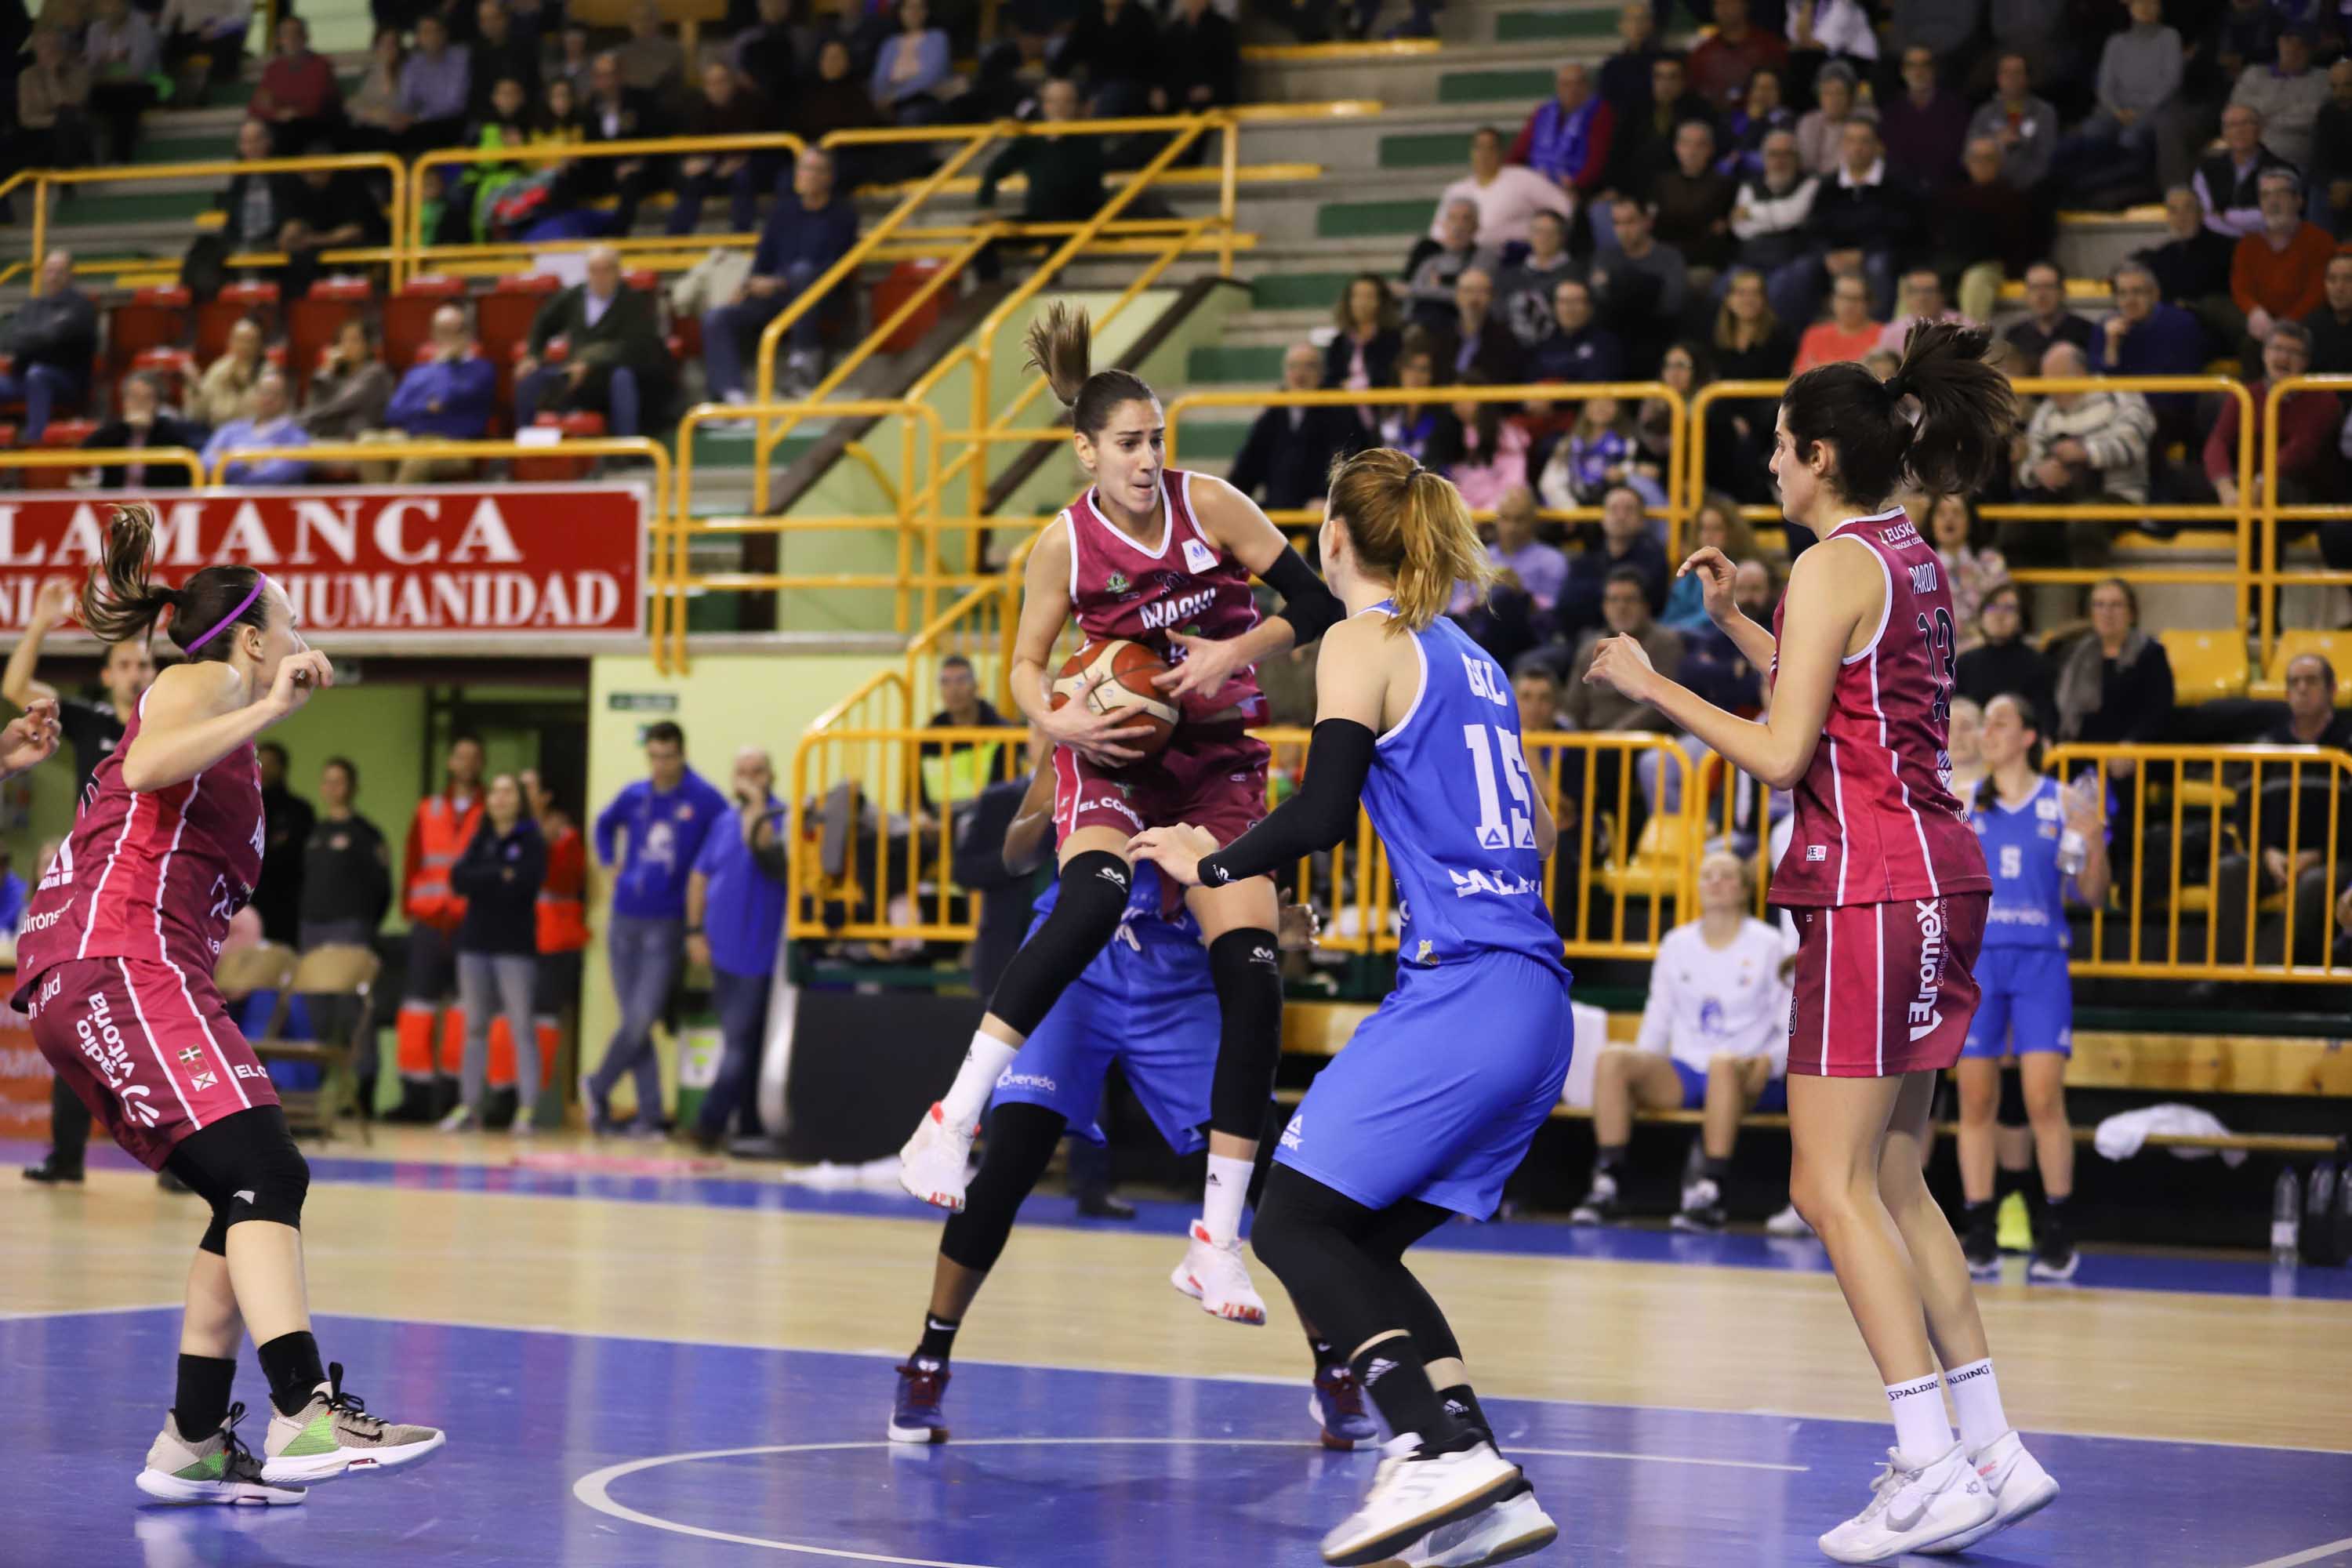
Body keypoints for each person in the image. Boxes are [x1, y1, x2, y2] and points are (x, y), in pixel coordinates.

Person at [1582, 324, 2058, 1559]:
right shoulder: (1902, 556)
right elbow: (1837, 688)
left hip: (1870, 885)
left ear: (1821, 457)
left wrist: (1657, 686)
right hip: (1938, 876)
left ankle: (1926, 1457)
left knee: (1823, 1185)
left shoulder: (1832, 565)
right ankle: (1994, 1447)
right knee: (1897, 1180)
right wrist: (1739, 621)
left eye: (1782, 452)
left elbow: (1786, 750)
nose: (1772, 472)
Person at [1128, 448, 1570, 1568]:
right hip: (1532, 998)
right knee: (1361, 1241)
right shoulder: (1472, 658)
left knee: (1289, 1221)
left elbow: (1324, 809)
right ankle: (1482, 1472)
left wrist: (1212, 860)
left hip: (1467, 989)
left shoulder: (1359, 642)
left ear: (1333, 540)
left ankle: (1428, 1448)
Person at [896, 303, 1349, 1330]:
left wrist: (1233, 656)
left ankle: (1217, 1244)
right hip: (1117, 761)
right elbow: (1023, 663)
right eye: (1130, 444)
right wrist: (1053, 715)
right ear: (1086, 451)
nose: (1149, 460)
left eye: (1157, 441)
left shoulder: (1214, 506)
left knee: (1253, 968)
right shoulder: (1060, 546)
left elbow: (1314, 608)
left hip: (1220, 768)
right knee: (1092, 895)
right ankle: (950, 1118)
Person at [13, 502, 445, 1503]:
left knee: (246, 1182)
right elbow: (153, 762)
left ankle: (194, 1438)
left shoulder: (222, 725)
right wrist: (273, 706)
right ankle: (301, 1411)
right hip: (118, 958)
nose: (299, 643)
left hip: (126, 966)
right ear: (252, 639)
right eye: (287, 627)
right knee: (264, 1163)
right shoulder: (202, 680)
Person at [888, 777, 1370, 1454]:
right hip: (1082, 968)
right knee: (1010, 1165)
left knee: (1265, 1174)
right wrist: (1045, 804)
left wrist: (1271, 924)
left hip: (1178, 979)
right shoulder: (1097, 726)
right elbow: (1016, 855)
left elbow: (1236, 897)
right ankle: (928, 1359)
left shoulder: (1231, 764)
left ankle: (1336, 1368)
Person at [7, 581, 158, 1187]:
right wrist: (41, 624)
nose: (135, 672)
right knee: (73, 1023)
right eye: (124, 664)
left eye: (145, 663)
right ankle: (66, 1157)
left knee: (147, 1022)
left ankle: (174, 1161)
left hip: (147, 890)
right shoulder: (94, 720)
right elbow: (15, 691)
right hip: (87, 891)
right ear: (106, 674)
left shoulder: (167, 726)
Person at [1957, 693, 2107, 1283]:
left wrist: (2093, 839)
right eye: (1985, 723)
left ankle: (2057, 1229)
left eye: (2000, 722)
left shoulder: (2065, 801)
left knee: (2044, 1099)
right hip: (1979, 962)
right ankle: (1980, 1229)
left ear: (2028, 736)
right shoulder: (1963, 802)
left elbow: (2092, 894)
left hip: (2042, 959)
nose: (1987, 732)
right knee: (1975, 1102)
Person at [1571, 850, 1791, 1229]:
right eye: (1708, 876)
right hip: (1688, 1069)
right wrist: (1640, 1067)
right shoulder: (1677, 943)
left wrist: (1771, 1061)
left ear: (1744, 888)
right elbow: (1658, 1019)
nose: (1716, 883)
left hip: (1749, 1072)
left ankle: (1711, 1190)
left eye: (1726, 875)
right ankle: (1609, 1183)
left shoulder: (1770, 944)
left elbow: (1790, 1022)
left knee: (1723, 1064)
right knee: (1614, 1059)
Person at [584, 720, 731, 1136]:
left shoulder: (703, 799)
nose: (660, 765)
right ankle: (649, 1116)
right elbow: (603, 824)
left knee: (643, 1015)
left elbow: (726, 839)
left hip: (667, 922)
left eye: (668, 757)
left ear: (681, 754)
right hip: (625, 917)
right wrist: (608, 860)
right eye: (653, 756)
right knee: (637, 1020)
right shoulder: (635, 795)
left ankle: (596, 1086)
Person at [685, 748, 786, 1152]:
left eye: (757, 771)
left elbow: (763, 849)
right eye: (741, 772)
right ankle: (746, 1125)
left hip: (760, 953)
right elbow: (698, 876)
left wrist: (758, 805)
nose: (748, 779)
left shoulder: (780, 819)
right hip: (722, 951)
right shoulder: (723, 822)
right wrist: (694, 931)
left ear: (771, 775)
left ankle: (709, 1123)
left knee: (741, 1043)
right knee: (741, 1040)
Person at [702, 147, 859, 405]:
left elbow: (833, 269)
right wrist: (749, 284)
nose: (805, 175)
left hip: (822, 298)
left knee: (803, 273)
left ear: (828, 177)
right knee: (717, 317)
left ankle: (803, 365)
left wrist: (778, 281)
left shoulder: (843, 215)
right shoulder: (783, 212)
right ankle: (731, 397)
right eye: (802, 168)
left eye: (813, 169)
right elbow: (763, 260)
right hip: (777, 298)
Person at [441, 772, 546, 1134]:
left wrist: (487, 879)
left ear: (520, 800)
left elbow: (524, 884)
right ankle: (469, 1106)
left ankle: (527, 1108)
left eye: (508, 791)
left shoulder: (531, 839)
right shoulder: (481, 837)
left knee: (521, 1026)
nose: (500, 798)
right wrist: (498, 874)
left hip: (515, 946)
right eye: (495, 791)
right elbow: (458, 879)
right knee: (475, 1026)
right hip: (475, 944)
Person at [391, 735, 485, 1122]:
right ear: (449, 762)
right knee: (417, 1008)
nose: (465, 762)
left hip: (471, 922)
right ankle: (415, 1096)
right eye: (459, 754)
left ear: (481, 764)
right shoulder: (428, 809)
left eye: (473, 757)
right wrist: (409, 911)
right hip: (429, 921)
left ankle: (454, 1097)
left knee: (466, 1012)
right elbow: (413, 859)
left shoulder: (489, 810)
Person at [296, 757, 392, 1076]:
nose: (332, 787)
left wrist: (364, 925)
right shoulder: (314, 832)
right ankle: (319, 1090)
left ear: (352, 787)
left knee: (353, 1011)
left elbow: (382, 888)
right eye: (327, 781)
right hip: (312, 928)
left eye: (339, 781)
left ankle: (363, 1088)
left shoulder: (366, 834)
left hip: (351, 928)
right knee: (316, 1013)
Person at [514, 246, 670, 439]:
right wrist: (533, 355)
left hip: (613, 376)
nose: (600, 276)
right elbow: (543, 322)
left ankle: (625, 450)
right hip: (574, 376)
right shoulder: (573, 297)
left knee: (622, 377)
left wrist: (588, 362)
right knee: (531, 380)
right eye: (594, 270)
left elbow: (636, 347)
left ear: (617, 272)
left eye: (606, 270)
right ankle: (525, 449)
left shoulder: (633, 302)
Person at [1229, 344, 1369, 514]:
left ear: (1321, 371)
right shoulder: (1274, 410)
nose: (1300, 374)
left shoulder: (1339, 408)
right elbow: (1248, 464)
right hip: (1278, 506)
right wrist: (1230, 498)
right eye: (1293, 366)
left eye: (1309, 366)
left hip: (1322, 510)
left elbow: (1347, 459)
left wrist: (1328, 497)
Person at [368, 304, 495, 481]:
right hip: (410, 438)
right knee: (368, 443)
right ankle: (380, 501)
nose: (448, 338)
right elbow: (393, 413)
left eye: (455, 331)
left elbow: (444, 399)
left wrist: (444, 366)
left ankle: (391, 505)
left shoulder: (482, 370)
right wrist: (424, 407)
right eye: (442, 331)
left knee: (417, 459)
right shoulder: (417, 371)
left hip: (455, 444)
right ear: (433, 335)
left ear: (467, 334)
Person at [2054, 577, 2174, 756]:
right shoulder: (2074, 654)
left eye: (2116, 605)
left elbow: (2159, 711)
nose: (2107, 613)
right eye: (2099, 605)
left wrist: (2130, 746)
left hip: (2132, 757)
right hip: (2078, 754)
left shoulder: (2151, 654)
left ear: (2132, 614)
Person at [2231, 168, 2336, 351]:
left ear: (2298, 200)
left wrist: (2283, 326)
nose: (2272, 201)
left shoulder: (2320, 241)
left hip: (2304, 325)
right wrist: (2255, 311)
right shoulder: (2248, 244)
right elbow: (2241, 288)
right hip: (2262, 327)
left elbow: (2317, 294)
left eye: (2280, 193)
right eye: (2265, 195)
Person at [0, 250, 96, 443]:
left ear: (70, 275)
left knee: (37, 374)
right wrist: (41, 336)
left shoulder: (81, 306)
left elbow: (55, 337)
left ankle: (34, 445)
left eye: (59, 272)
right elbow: (10, 340)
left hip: (66, 381)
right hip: (22, 377)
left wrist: (32, 339)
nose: (53, 277)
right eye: (49, 271)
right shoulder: (32, 306)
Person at [1434, 125, 1575, 251]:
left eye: (1491, 148)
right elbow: (1437, 232)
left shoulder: (1522, 178)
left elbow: (1563, 207)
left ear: (1502, 152)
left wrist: (1539, 235)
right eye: (1479, 148)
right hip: (1466, 256)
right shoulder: (1456, 190)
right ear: (1472, 152)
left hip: (1513, 255)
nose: (1485, 154)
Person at [2230, 24, 2328, 173]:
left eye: (2302, 45)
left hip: (2292, 160)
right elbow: (2235, 111)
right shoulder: (2254, 73)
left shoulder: (2322, 79)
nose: (2294, 50)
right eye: (2289, 42)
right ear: (2279, 43)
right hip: (2247, 152)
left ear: (2312, 50)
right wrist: (2288, 106)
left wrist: (2258, 117)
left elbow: (2313, 117)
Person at [1511, 61, 1615, 196]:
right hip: (1537, 185)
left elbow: (1597, 162)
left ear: (1588, 86)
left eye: (1578, 83)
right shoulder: (1543, 112)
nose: (1572, 89)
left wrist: (1576, 185)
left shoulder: (1600, 113)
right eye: (1565, 84)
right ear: (1558, 87)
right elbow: (1518, 153)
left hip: (1579, 189)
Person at [1955, 581, 2055, 722]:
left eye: (2009, 609)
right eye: (1992, 607)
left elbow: (2045, 718)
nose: (1999, 615)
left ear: (2021, 619)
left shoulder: (2038, 664)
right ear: (1981, 616)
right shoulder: (1963, 664)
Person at [2193, 103, 2293, 239]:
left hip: (2267, 244)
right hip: (2217, 244)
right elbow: (2206, 215)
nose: (2239, 130)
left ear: (2260, 129)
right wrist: (2242, 229)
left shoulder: (2281, 170)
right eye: (2232, 125)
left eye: (2246, 123)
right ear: (2224, 133)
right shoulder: (2206, 169)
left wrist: (2227, 216)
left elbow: (2276, 216)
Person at [250, 740, 314, 947]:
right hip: (248, 903)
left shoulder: (299, 811)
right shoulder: (247, 807)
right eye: (262, 763)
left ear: (283, 768)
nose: (266, 769)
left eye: (272, 764)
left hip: (286, 904)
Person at [249, 14, 342, 154]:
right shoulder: (273, 69)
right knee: (252, 138)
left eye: (296, 34)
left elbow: (315, 103)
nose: (291, 39)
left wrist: (291, 111)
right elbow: (256, 106)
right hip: (279, 125)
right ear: (279, 40)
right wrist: (277, 113)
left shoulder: (321, 65)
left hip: (316, 127)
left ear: (305, 37)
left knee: (283, 133)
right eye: (285, 34)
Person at [1965, 53, 2059, 193]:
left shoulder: (2044, 112)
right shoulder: (1984, 113)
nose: (2011, 78)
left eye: (2017, 73)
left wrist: (2017, 186)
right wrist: (1996, 141)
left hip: (2030, 191)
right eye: (2006, 72)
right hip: (1988, 190)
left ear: (2027, 78)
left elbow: (2046, 159)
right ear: (1998, 78)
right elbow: (1967, 154)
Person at [201, 371, 310, 486]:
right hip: (224, 498)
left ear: (288, 399)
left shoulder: (297, 439)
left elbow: (272, 477)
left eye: (275, 394)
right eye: (263, 392)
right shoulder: (230, 430)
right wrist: (245, 462)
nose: (267, 399)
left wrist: (227, 458)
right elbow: (205, 464)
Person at [83, 0, 158, 162]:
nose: (110, 8)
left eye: (114, 3)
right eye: (105, 4)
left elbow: (137, 71)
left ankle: (123, 158)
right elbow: (90, 70)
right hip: (106, 88)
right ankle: (91, 161)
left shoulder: (141, 27)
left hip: (144, 85)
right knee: (91, 99)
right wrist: (112, 67)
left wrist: (105, 68)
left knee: (124, 98)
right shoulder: (95, 30)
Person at [303, 321, 394, 443]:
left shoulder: (375, 373)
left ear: (367, 346)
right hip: (329, 435)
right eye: (343, 341)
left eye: (354, 340)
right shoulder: (334, 374)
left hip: (360, 439)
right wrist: (326, 371)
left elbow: (338, 406)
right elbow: (311, 403)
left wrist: (305, 418)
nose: (347, 345)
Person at [19, 27, 95, 173]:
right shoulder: (26, 76)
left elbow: (68, 105)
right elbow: (26, 118)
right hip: (40, 135)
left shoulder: (80, 72)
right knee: (64, 123)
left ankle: (66, 179)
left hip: (74, 134)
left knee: (67, 120)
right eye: (44, 46)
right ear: (35, 51)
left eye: (55, 46)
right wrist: (58, 121)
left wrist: (52, 76)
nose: (50, 51)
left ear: (63, 49)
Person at [1324, 274, 1403, 391]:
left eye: (1369, 296)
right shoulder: (1338, 343)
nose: (1362, 303)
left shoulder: (1394, 340)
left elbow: (1392, 379)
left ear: (1381, 301)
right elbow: (1330, 382)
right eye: (1357, 296)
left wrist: (1364, 385)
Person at [2005, 263, 2096, 364]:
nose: (2041, 295)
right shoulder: (2014, 336)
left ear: (2062, 291)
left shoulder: (2086, 331)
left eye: (2048, 287)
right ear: (2026, 294)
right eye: (2034, 288)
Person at [1794, 271, 1882, 371]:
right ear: (1832, 300)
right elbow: (1801, 374)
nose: (1849, 305)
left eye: (1856, 299)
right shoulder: (1814, 335)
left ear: (1868, 302)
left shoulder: (1883, 334)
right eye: (1843, 297)